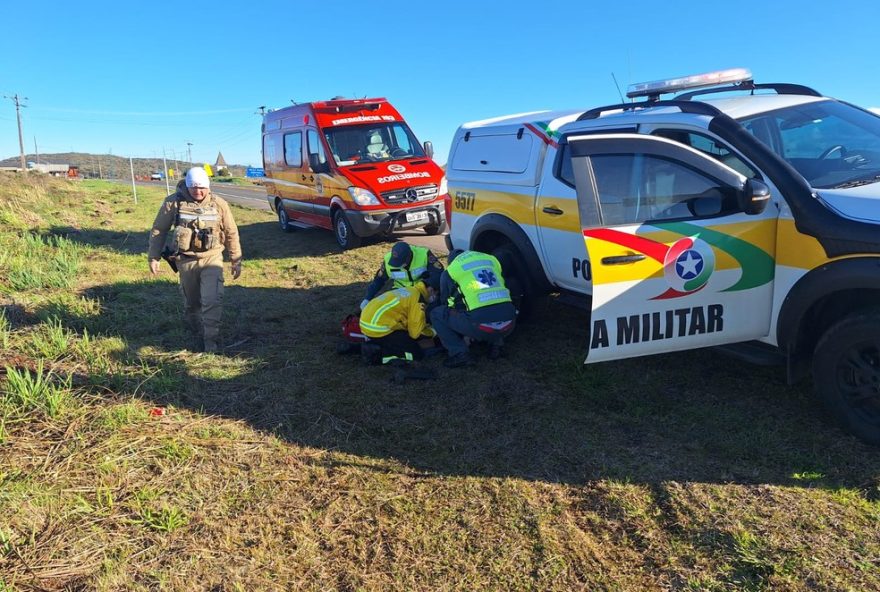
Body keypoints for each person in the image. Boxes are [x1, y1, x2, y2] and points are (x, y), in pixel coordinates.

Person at [147, 167, 242, 353]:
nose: (198, 192)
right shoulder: (173, 203)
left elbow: (231, 232)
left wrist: (236, 259)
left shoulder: (219, 204)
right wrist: (154, 256)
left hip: (212, 258)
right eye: (193, 188)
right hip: (186, 261)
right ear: (187, 187)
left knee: (212, 299)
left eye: (202, 188)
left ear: (208, 186)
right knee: (192, 303)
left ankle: (210, 341)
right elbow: (159, 230)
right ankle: (194, 328)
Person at [429, 249, 516, 368]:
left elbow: (445, 301)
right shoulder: (490, 260)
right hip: (510, 322)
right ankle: (497, 345)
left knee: (437, 313)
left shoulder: (451, 271)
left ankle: (460, 354)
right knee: (495, 304)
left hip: (480, 325)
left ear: (451, 262)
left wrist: (463, 327)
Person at [359, 282, 436, 365]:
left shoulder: (411, 290)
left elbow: (408, 320)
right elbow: (415, 333)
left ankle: (367, 346)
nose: (434, 297)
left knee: (400, 340)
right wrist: (434, 332)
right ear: (431, 289)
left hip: (368, 321)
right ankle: (374, 356)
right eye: (436, 294)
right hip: (378, 328)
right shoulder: (418, 300)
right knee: (415, 354)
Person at [360, 242, 444, 311]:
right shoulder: (388, 260)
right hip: (401, 291)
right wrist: (367, 298)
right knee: (390, 311)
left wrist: (428, 285)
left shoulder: (424, 255)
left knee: (426, 312)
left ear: (409, 257)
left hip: (422, 290)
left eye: (400, 262)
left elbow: (439, 273)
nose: (397, 265)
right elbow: (379, 280)